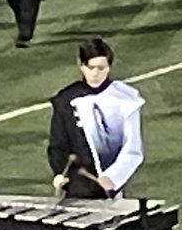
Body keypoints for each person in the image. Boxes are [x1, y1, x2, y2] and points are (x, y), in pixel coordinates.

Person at [47, 38, 144, 199]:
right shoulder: (66, 99)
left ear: (109, 68)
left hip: (111, 184)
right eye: (91, 67)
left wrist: (113, 177)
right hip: (78, 181)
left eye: (101, 68)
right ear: (82, 67)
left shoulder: (125, 99)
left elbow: (132, 148)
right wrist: (59, 171)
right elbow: (58, 143)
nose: (95, 73)